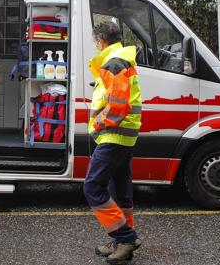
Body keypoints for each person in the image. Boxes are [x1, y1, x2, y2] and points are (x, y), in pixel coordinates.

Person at [83, 21, 142, 265]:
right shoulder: (121, 58)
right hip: (123, 134)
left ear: (100, 41)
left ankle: (126, 237)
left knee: (93, 187)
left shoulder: (114, 62)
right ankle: (122, 240)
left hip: (113, 133)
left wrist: (98, 124)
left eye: (95, 41)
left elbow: (118, 105)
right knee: (119, 189)